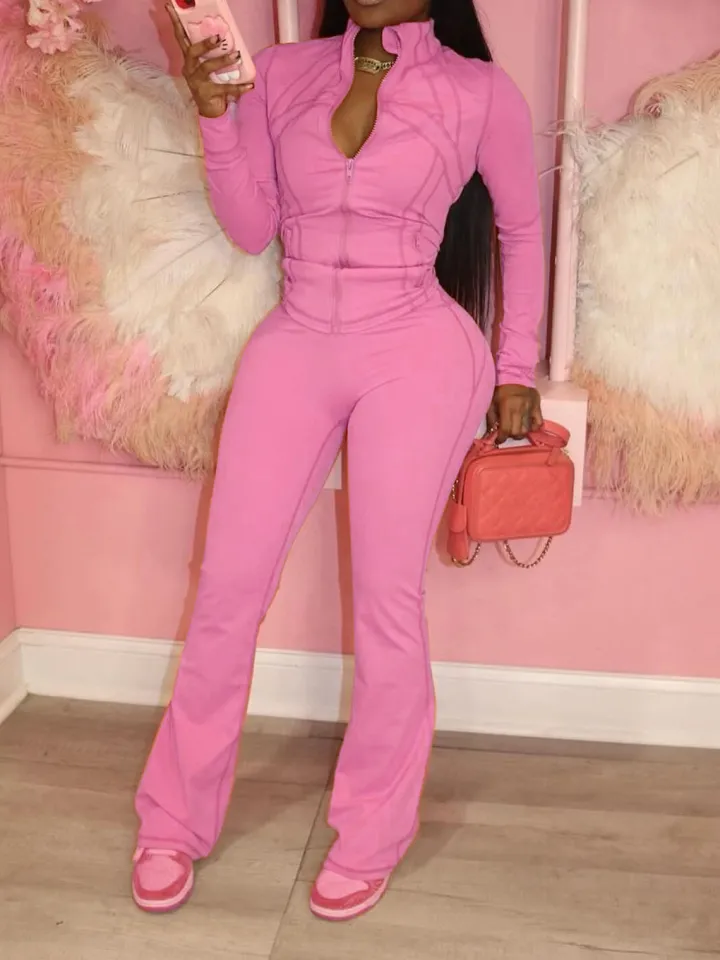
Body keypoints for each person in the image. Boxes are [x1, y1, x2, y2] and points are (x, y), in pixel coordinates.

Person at [132, 0, 545, 922]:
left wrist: (516, 368)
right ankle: (173, 818)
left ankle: (372, 833)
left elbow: (522, 230)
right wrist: (216, 116)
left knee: (386, 597)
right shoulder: (284, 73)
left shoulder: (479, 91)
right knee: (226, 588)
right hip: (298, 334)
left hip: (417, 345)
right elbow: (251, 227)